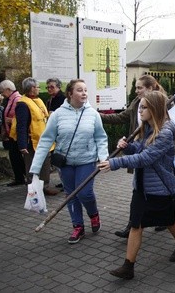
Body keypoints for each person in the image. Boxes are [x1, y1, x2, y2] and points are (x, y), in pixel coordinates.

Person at [99, 91, 175, 280]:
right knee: (136, 225)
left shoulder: (165, 132)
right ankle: (128, 266)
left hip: (160, 189)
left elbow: (146, 158)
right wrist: (127, 147)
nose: (140, 110)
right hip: (142, 187)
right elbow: (140, 149)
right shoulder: (147, 127)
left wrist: (115, 163)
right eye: (140, 106)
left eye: (144, 107)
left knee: (168, 221)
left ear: (154, 109)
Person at [29, 79, 109, 243]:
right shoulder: (58, 114)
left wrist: (103, 158)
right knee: (70, 195)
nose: (84, 93)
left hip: (86, 160)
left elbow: (101, 138)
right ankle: (77, 227)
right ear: (70, 93)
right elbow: (45, 141)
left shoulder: (92, 114)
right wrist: (35, 168)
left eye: (85, 90)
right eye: (80, 90)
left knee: (84, 193)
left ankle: (93, 213)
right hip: (65, 163)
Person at [101, 74, 166, 238]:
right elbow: (122, 117)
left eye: (139, 88)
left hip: (157, 152)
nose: (136, 91)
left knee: (159, 187)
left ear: (150, 88)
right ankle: (132, 225)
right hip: (137, 148)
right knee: (138, 188)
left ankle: (166, 220)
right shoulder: (136, 103)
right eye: (136, 87)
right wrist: (98, 116)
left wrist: (115, 162)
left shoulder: (162, 104)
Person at [10, 77, 59, 195]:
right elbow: (21, 126)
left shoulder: (38, 100)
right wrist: (22, 145)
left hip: (44, 140)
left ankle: (45, 186)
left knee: (45, 164)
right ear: (32, 88)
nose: (39, 89)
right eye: (37, 87)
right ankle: (33, 190)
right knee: (33, 166)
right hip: (31, 142)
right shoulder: (23, 104)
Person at [0, 80, 26, 186]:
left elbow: (22, 117)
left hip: (16, 134)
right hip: (12, 133)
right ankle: (22, 177)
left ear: (8, 89)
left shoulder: (17, 99)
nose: (2, 94)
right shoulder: (11, 99)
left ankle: (22, 178)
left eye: (2, 91)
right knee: (15, 157)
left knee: (16, 157)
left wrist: (12, 120)